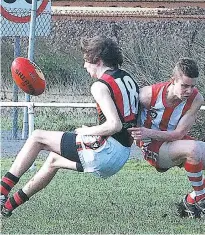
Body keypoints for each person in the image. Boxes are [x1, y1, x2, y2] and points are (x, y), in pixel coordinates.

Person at [0, 35, 139, 217]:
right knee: (53, 160)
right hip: (121, 156)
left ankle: (2, 191)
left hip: (106, 151)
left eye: (86, 61)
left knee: (37, 137)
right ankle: (8, 207)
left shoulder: (99, 85)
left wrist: (86, 130)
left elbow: (114, 124)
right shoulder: (128, 78)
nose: (84, 66)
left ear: (97, 60)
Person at [129, 58, 205, 219]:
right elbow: (124, 116)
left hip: (176, 141)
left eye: (192, 86)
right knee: (193, 149)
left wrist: (148, 132)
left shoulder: (196, 99)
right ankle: (202, 200)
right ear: (172, 81)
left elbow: (178, 134)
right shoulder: (147, 95)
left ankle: (191, 201)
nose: (189, 91)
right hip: (152, 149)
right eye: (184, 86)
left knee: (193, 149)